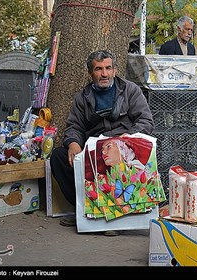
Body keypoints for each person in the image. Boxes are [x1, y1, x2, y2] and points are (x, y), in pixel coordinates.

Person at [50, 50, 154, 229]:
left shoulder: (130, 90)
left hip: (124, 145)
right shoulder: (83, 97)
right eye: (99, 69)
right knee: (59, 156)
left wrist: (126, 139)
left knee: (119, 161)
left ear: (114, 70)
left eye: (108, 68)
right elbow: (74, 126)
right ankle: (85, 211)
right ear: (91, 73)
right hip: (95, 147)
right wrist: (73, 143)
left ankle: (119, 214)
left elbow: (145, 120)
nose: (104, 74)